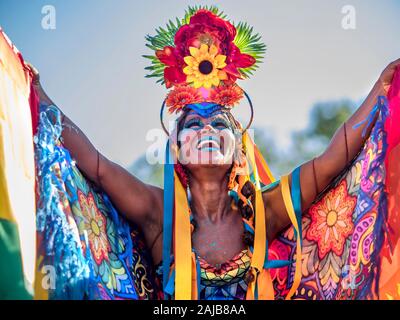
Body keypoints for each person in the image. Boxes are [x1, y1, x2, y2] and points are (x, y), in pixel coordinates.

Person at [28, 7, 400, 300]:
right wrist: (37, 95)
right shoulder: (158, 214)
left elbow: (334, 157)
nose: (207, 129)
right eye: (192, 124)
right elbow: (98, 167)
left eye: (220, 124)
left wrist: (382, 87)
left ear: (239, 147)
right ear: (176, 148)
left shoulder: (267, 211)